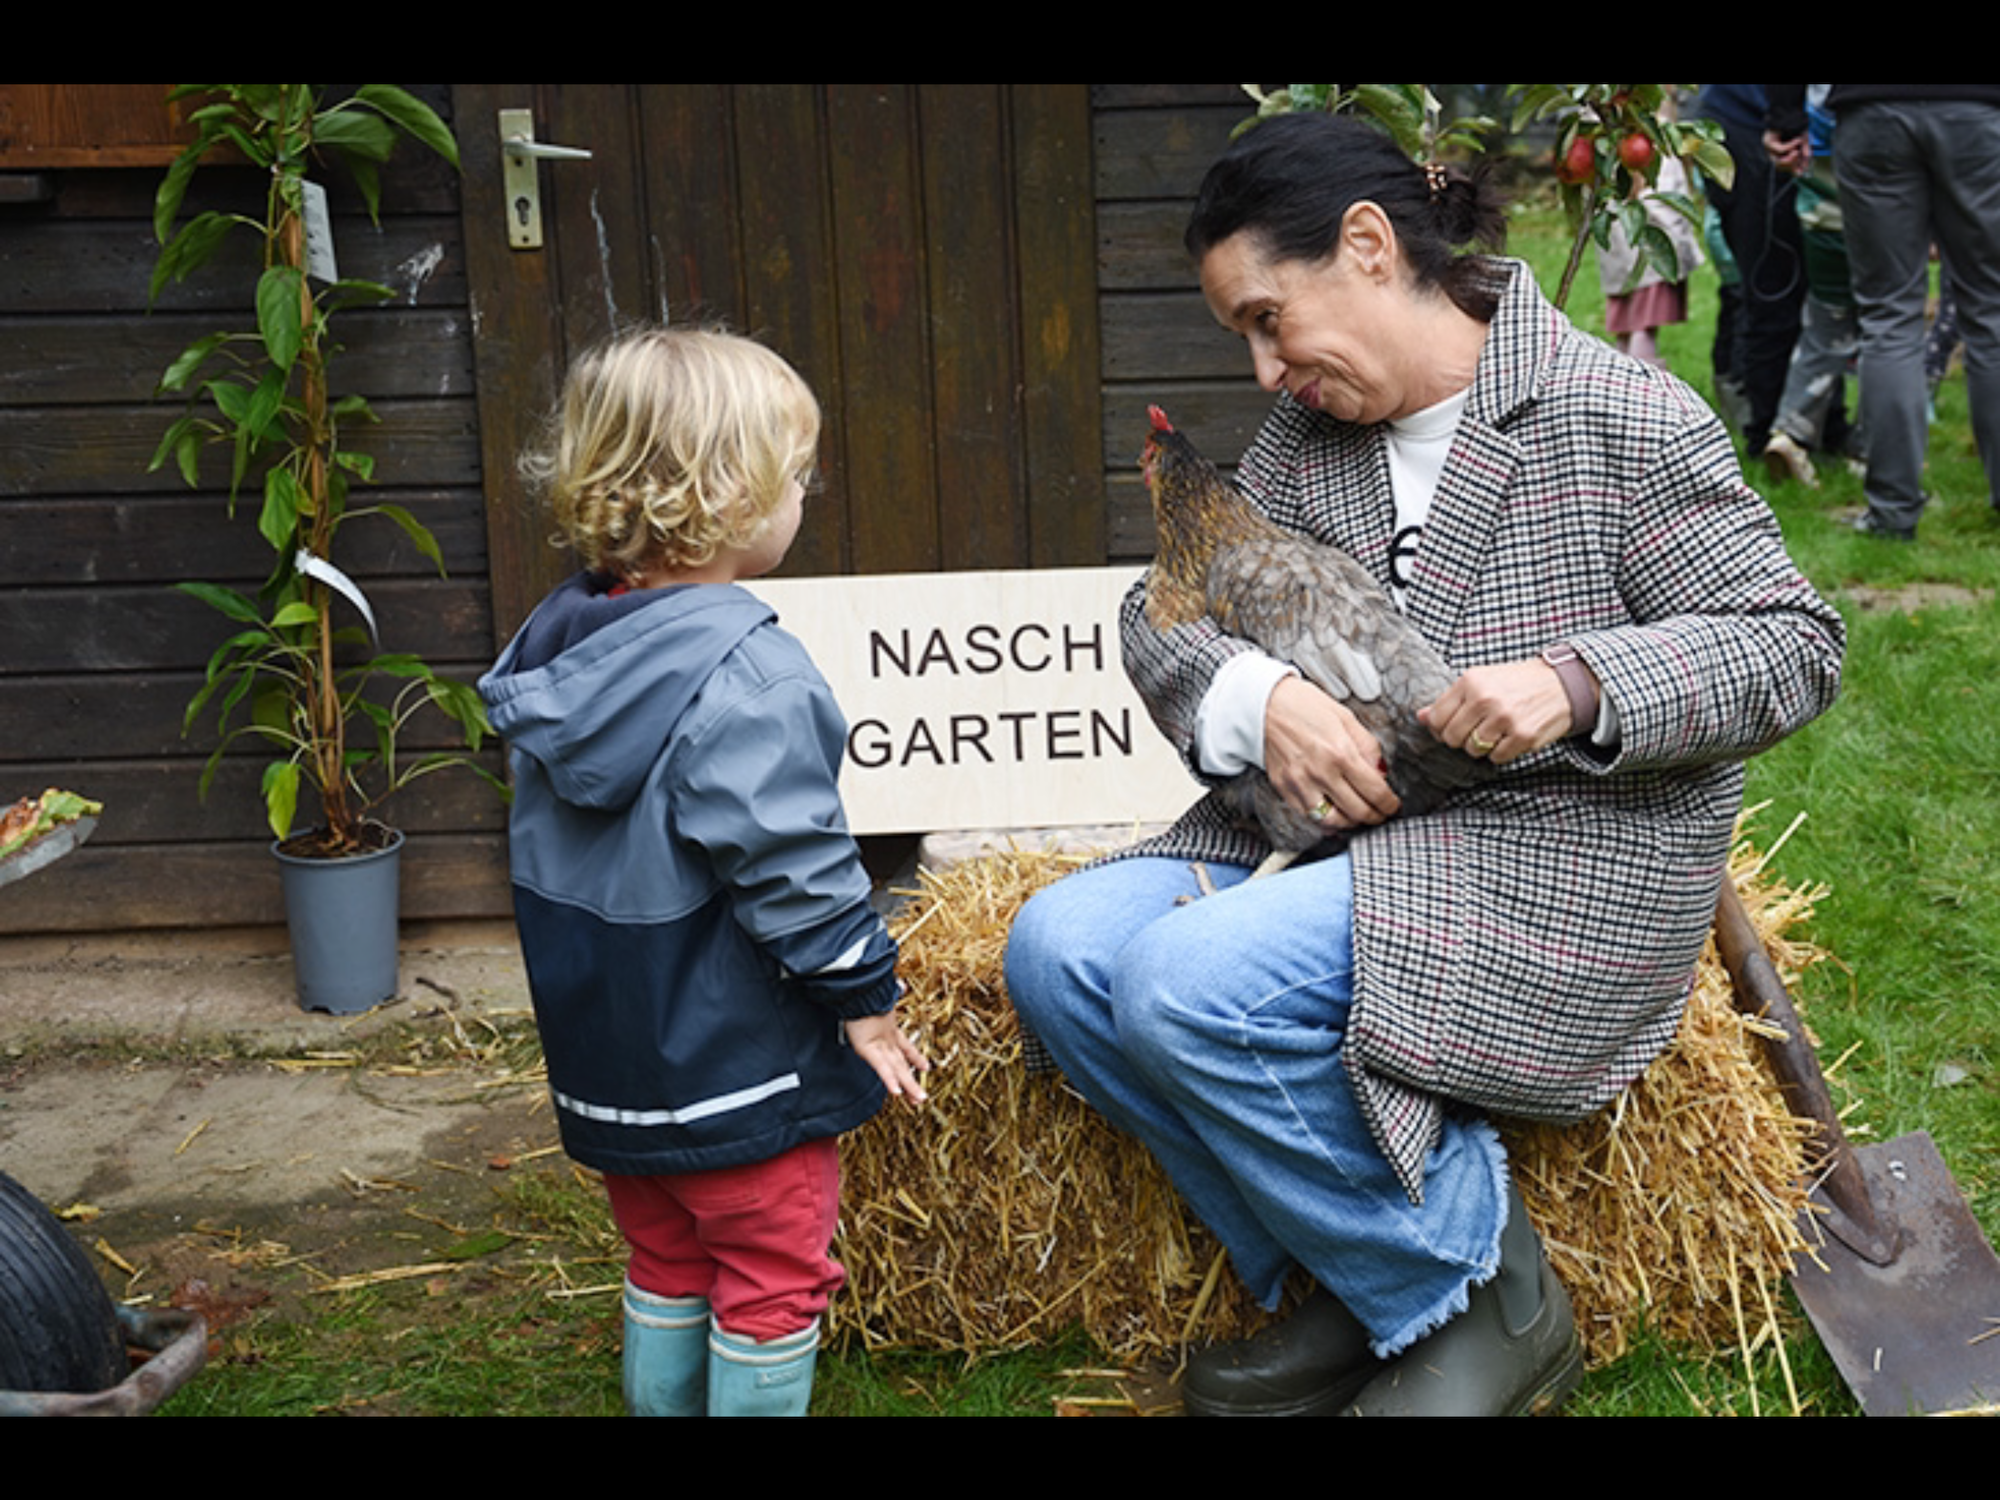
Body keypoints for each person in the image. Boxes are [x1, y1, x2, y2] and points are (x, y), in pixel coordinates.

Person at [1002, 112, 1845, 1417]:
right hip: (1345, 837)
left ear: (1370, 244)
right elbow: (1162, 613)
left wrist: (1579, 684)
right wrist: (1257, 690)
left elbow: (1792, 647)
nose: (1265, 366)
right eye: (1244, 335)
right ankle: (1353, 1284)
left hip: (1556, 855)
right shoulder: (1305, 442)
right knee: (1056, 950)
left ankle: (1486, 1302)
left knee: (1180, 979)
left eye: (1272, 319)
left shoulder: (1614, 413)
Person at [478, 326, 930, 1417]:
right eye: (795, 475)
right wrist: (866, 1003)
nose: (807, 493)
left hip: (612, 1061)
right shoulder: (748, 672)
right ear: (726, 496)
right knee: (773, 1275)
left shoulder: (559, 648)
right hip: (734, 1062)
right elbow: (796, 872)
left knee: (670, 1258)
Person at [1765, 84, 2000, 539]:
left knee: (1889, 317)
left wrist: (1786, 115)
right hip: (1977, 112)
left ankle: (1892, 512)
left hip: (1872, 110)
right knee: (1992, 311)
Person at [1694, 84, 1807, 464]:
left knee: (1811, 290)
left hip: (1778, 122)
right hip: (1747, 125)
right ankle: (1767, 427)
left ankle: (1815, 421)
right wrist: (1786, 123)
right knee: (1769, 286)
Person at [1761, 86, 1864, 490]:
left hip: (1818, 157)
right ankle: (1873, 450)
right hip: (1885, 148)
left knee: (1827, 309)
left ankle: (1791, 432)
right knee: (1887, 318)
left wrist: (1785, 123)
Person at [1596, 147, 1704, 371]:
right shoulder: (1656, 146)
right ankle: (1642, 389)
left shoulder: (1603, 144)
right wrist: (1682, 249)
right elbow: (1671, 208)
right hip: (1653, 258)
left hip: (1619, 260)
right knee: (1644, 330)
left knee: (1626, 330)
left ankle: (1615, 390)